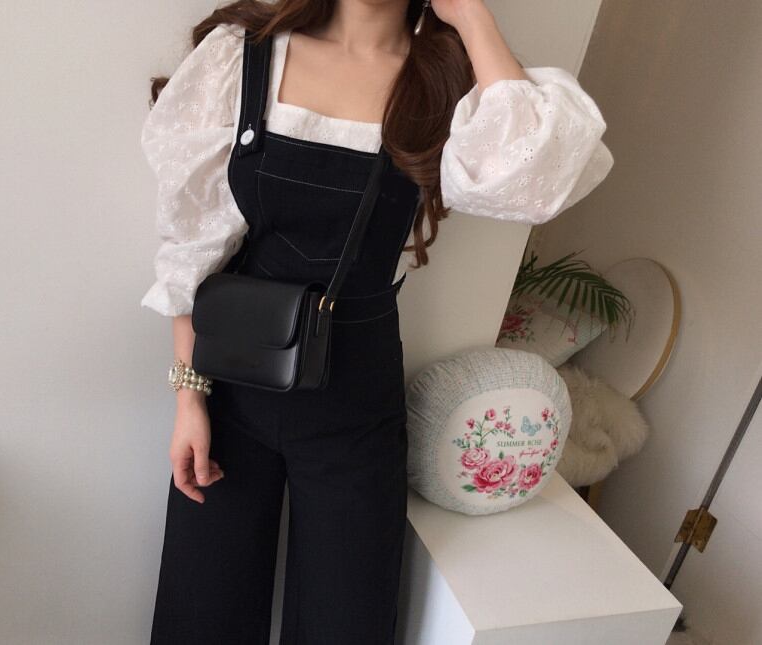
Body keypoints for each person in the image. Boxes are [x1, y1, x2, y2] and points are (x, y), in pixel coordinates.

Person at [140, 0, 614, 642]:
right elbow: (192, 248)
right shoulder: (241, 56)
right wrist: (189, 399)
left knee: (350, 618)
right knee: (201, 611)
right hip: (231, 387)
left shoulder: (443, 80)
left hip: (356, 398)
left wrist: (471, 17)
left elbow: (528, 181)